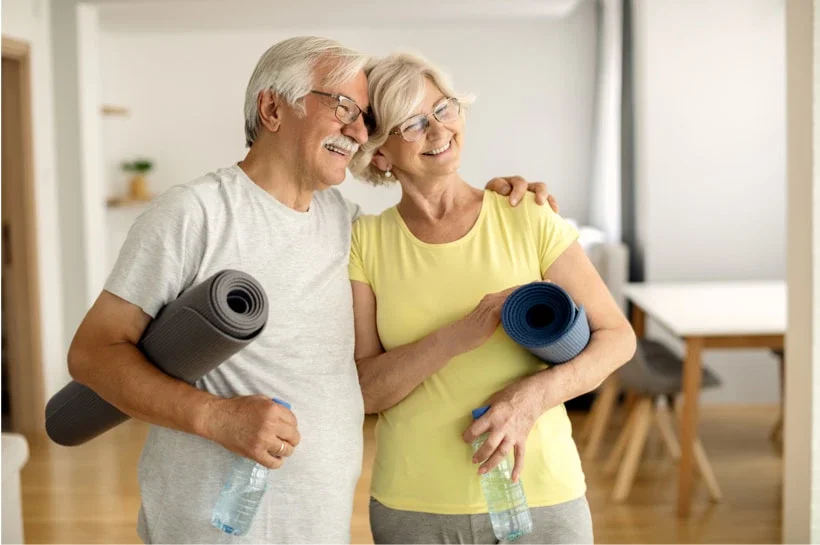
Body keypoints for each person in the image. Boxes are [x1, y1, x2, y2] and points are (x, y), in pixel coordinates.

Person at [66, 37, 551, 544]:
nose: (358, 131)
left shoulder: (347, 226)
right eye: (342, 106)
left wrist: (491, 199)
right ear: (273, 108)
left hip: (319, 523)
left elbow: (430, 237)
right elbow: (93, 353)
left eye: (364, 117)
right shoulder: (194, 214)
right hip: (213, 525)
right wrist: (215, 417)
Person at [348, 52, 637, 544]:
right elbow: (366, 390)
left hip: (542, 495)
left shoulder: (526, 214)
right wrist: (457, 336)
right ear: (379, 153)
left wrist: (533, 397)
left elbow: (618, 338)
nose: (439, 132)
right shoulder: (365, 242)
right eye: (412, 123)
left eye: (444, 109)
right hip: (415, 507)